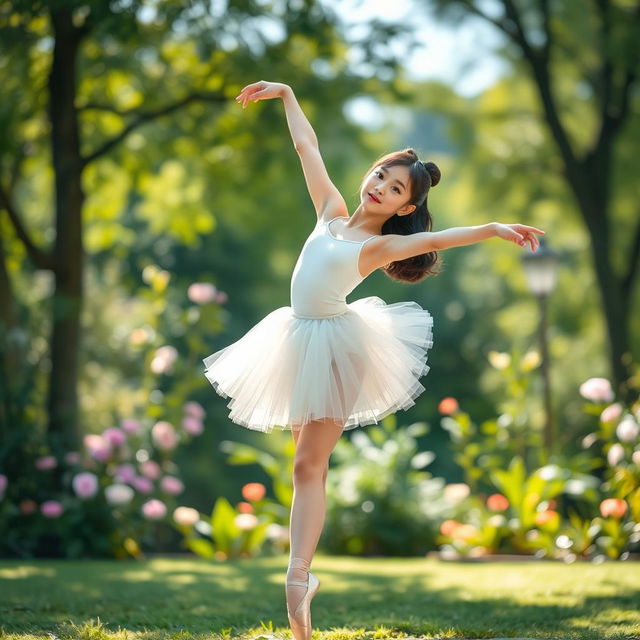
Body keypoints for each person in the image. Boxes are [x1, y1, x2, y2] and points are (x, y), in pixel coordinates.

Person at [202, 80, 544, 640]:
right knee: (303, 465)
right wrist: (289, 95)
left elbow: (446, 238)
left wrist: (491, 229)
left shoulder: (377, 246)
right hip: (296, 340)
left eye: (394, 187)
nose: (380, 186)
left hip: (337, 347)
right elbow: (307, 151)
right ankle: (301, 587)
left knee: (307, 466)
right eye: (379, 174)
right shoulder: (330, 214)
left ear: (407, 207)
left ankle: (296, 581)